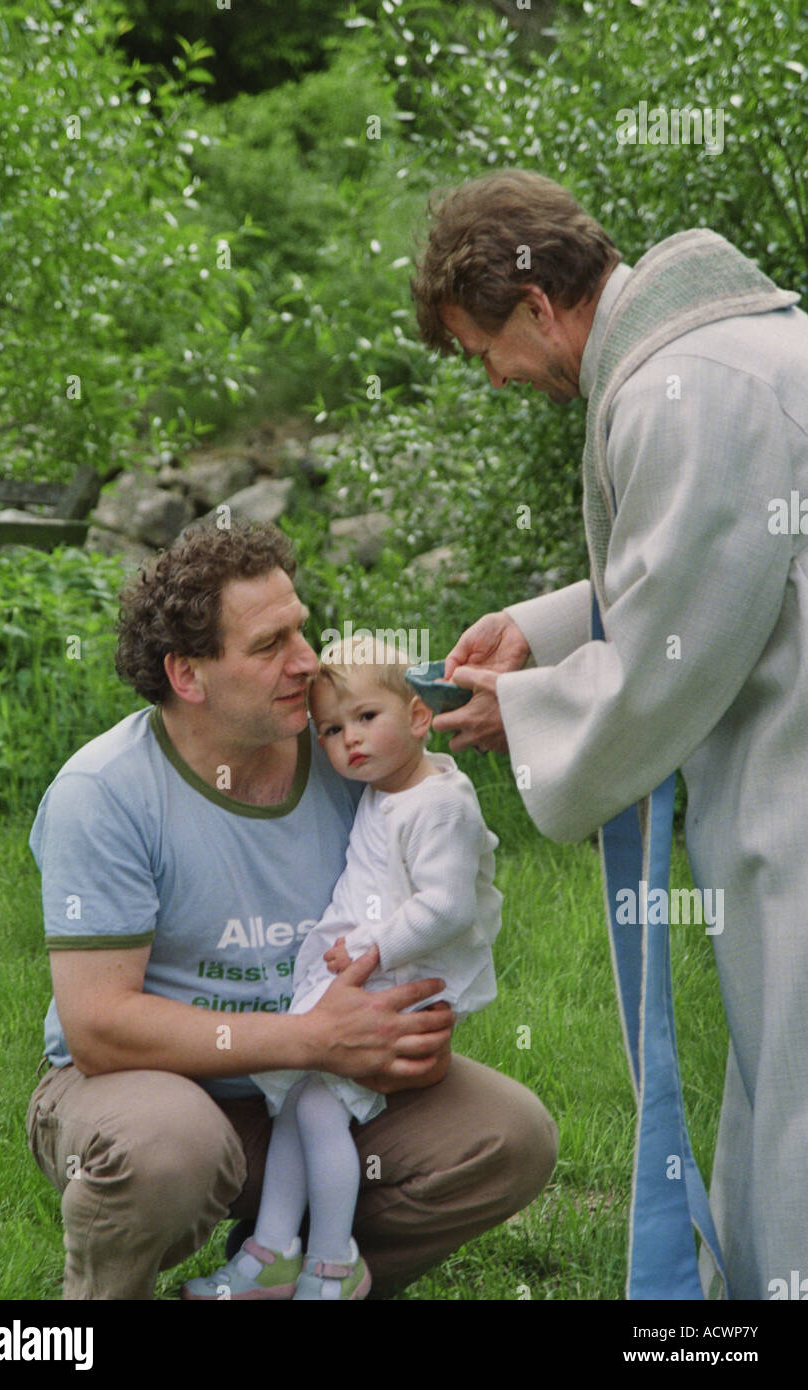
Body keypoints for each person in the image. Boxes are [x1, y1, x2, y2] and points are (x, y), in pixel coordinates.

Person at [409, 168, 808, 1300]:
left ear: (537, 306)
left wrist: (518, 712)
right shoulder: (713, 353)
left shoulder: (689, 384)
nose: (494, 377)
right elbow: (714, 569)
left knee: (797, 1099)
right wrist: (544, 631)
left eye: (484, 348)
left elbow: (671, 650)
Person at [26, 518, 558, 1300]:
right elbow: (99, 1029)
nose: (307, 662)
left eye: (303, 630)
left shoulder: (348, 752)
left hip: (310, 1088)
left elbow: (433, 879)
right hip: (148, 1084)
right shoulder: (102, 794)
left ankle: (292, 1277)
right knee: (172, 1147)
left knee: (509, 1137)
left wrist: (405, 1039)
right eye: (271, 644)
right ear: (188, 675)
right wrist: (314, 1037)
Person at [182, 638, 502, 1299]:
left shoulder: (439, 804)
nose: (348, 740)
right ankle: (273, 1251)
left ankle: (333, 1263)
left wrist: (371, 947)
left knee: (323, 1112)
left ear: (418, 718)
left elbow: (447, 905)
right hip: (364, 971)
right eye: (331, 729)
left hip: (403, 983)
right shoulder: (387, 789)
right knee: (300, 1103)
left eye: (365, 718)